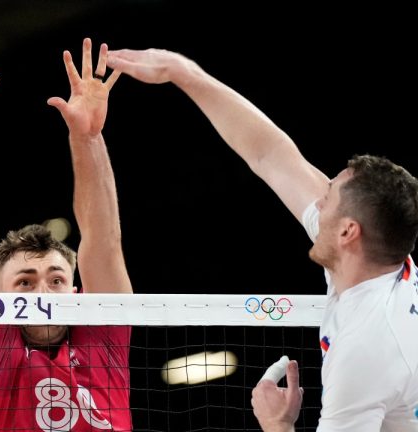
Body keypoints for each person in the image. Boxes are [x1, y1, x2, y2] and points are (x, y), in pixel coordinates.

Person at [106, 48, 418, 431]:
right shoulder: (384, 263)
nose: (318, 199)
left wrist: (277, 425)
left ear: (349, 232)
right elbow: (270, 154)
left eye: (329, 196)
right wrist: (184, 72)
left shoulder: (365, 349)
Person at [0, 37, 133, 431]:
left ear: (77, 293)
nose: (43, 295)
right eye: (25, 283)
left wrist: (88, 138)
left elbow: (103, 241)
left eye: (57, 280)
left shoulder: (103, 338)